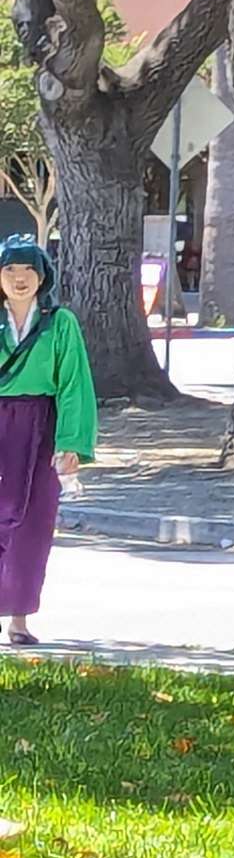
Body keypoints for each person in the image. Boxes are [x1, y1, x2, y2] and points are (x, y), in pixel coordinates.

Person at [0, 234, 95, 647]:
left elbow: (74, 384)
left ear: (42, 276)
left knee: (33, 522)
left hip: (40, 426)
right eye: (10, 270)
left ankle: (18, 619)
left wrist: (70, 442)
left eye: (28, 270)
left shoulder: (60, 323)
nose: (20, 279)